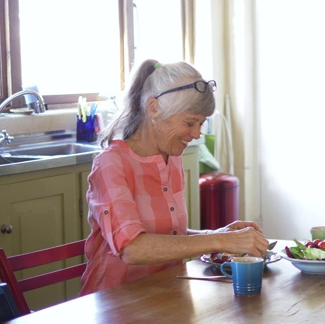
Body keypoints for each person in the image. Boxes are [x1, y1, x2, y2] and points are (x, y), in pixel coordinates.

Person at [80, 59, 269, 295]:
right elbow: (132, 248)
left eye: (201, 123)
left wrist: (218, 235)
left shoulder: (173, 158)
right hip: (116, 301)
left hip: (168, 293)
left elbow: (170, 238)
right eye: (190, 122)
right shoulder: (111, 164)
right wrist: (220, 242)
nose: (196, 133)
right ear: (154, 108)